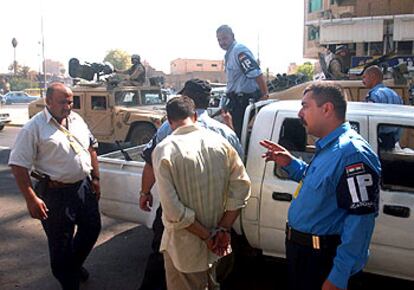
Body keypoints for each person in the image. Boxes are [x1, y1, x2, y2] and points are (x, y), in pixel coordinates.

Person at [260, 83, 381, 290]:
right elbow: (320, 185)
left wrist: (338, 277)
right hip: (303, 254)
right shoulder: (329, 147)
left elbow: (360, 220)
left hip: (322, 260)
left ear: (326, 109)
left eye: (305, 106)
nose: (300, 113)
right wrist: (291, 163)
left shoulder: (352, 153)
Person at [138, 78, 242, 290]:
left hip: (185, 236)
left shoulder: (166, 137)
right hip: (217, 219)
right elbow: (240, 184)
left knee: (170, 269)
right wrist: (223, 228)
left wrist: (145, 191)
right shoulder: (225, 135)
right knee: (211, 277)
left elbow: (172, 206)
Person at [9, 82, 101, 290]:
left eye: (70, 101)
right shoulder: (33, 128)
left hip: (83, 187)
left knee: (92, 229)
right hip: (54, 193)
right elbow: (18, 165)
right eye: (62, 102)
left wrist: (95, 178)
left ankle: (73, 266)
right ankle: (69, 280)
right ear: (48, 101)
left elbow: (90, 147)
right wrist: (31, 198)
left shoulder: (77, 119)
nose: (68, 106)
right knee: (61, 244)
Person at [216, 24, 269, 138]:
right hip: (234, 102)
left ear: (232, 36)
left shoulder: (239, 51)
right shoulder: (229, 54)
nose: (222, 42)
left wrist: (265, 94)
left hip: (243, 101)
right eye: (219, 39)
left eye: (224, 38)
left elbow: (256, 72)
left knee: (239, 137)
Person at [363, 65, 404, 150]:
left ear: (373, 77)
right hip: (392, 142)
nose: (363, 81)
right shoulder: (395, 95)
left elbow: (368, 121)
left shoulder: (374, 95)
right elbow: (401, 123)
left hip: (377, 142)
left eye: (365, 77)